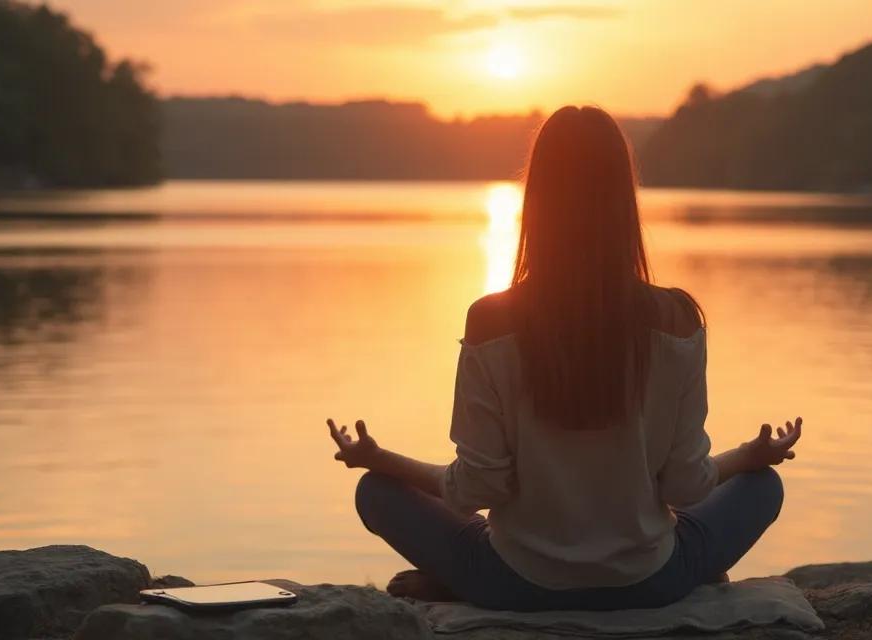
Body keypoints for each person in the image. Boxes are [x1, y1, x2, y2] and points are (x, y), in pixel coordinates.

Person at [325, 105, 802, 612]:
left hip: (513, 585)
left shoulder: (491, 321)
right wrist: (749, 458)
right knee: (763, 487)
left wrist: (381, 462)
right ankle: (695, 573)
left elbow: (477, 488)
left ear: (538, 200)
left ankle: (461, 581)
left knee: (376, 493)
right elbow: (686, 488)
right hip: (650, 584)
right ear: (622, 199)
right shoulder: (678, 318)